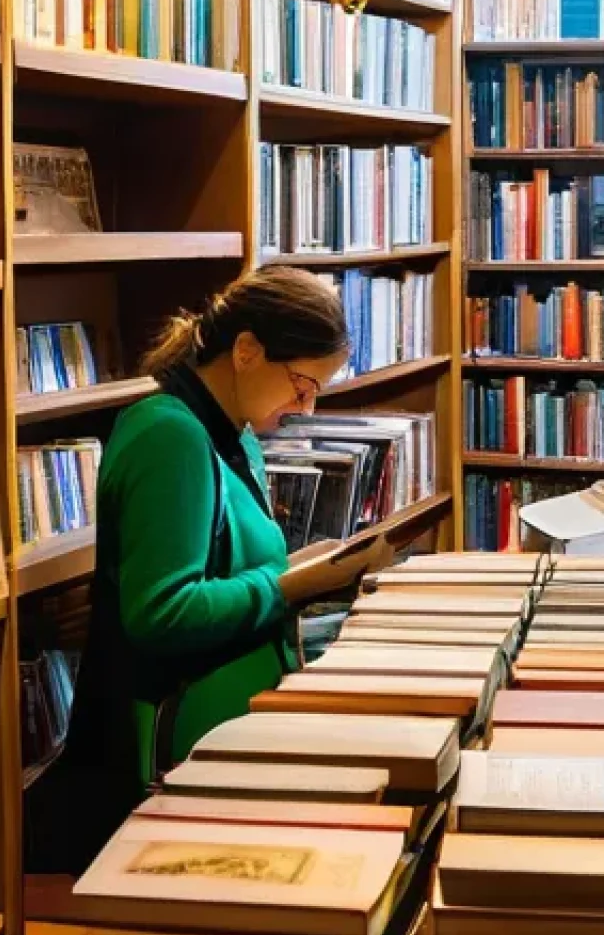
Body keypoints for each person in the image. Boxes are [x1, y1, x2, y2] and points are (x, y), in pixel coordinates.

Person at [27, 266, 368, 873]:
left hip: (220, 734)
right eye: (301, 383)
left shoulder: (234, 433)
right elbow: (162, 613)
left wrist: (307, 571)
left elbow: (233, 566)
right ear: (245, 351)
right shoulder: (169, 436)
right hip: (167, 752)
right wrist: (290, 585)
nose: (305, 406)